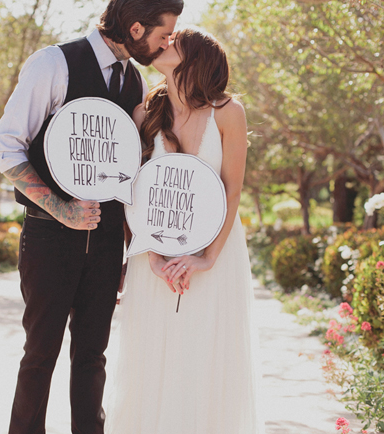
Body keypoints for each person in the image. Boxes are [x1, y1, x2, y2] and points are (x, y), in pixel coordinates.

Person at [0, 1, 184, 433]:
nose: (166, 44)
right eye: (164, 34)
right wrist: (63, 210)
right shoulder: (53, 63)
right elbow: (5, 150)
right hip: (49, 236)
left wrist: (130, 247)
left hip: (108, 242)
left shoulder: (136, 81)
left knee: (93, 358)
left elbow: (131, 173)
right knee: (40, 354)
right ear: (137, 28)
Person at [105, 28, 265, 433]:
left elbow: (232, 190)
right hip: (154, 256)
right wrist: (153, 258)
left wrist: (206, 258)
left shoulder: (228, 112)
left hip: (216, 254)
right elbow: (133, 192)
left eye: (174, 41)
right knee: (153, 356)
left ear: (195, 58)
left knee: (205, 353)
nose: (163, 43)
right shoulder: (144, 113)